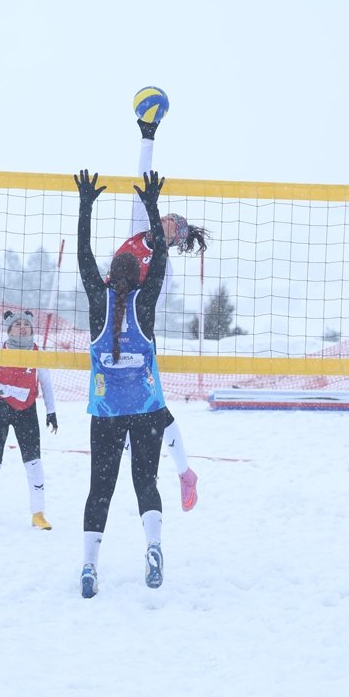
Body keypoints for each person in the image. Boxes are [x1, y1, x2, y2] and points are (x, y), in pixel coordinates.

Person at [74, 168, 170, 598]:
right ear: (141, 278)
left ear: (110, 276)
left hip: (107, 412)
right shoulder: (145, 303)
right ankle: (153, 546)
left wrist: (85, 206)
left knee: (100, 489)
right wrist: (152, 207)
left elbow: (83, 255)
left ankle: (89, 566)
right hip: (146, 409)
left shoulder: (99, 301)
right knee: (146, 483)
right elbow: (161, 255)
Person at [112, 117, 212, 512]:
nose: (167, 221)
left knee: (154, 411)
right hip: (109, 333)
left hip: (138, 338)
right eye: (167, 216)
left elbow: (146, 309)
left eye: (173, 225)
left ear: (175, 238)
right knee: (125, 411)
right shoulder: (139, 229)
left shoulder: (163, 270)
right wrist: (147, 136)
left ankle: (184, 473)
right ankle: (164, 466)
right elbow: (143, 179)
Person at [0, 309, 58, 530]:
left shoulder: (38, 353)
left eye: (27, 324)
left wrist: (51, 411)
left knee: (34, 462)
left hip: (26, 411)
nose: (23, 328)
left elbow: (46, 383)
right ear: (9, 330)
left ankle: (38, 514)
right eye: (18, 324)